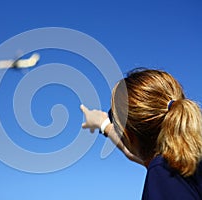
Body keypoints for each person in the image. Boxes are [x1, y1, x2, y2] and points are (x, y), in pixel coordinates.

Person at [80, 68, 202, 199]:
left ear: (129, 136)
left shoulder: (163, 173)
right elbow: (137, 155)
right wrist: (104, 124)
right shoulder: (187, 160)